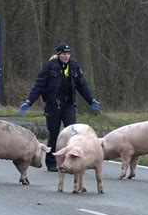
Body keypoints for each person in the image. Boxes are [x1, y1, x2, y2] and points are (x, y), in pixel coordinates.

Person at [18, 42, 100, 172]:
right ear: (58, 55)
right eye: (63, 54)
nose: (66, 56)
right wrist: (29, 102)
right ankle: (51, 163)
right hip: (53, 105)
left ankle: (72, 162)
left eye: (68, 54)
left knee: (72, 134)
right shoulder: (50, 66)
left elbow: (82, 85)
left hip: (68, 105)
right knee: (54, 134)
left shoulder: (74, 66)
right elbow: (39, 85)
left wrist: (91, 101)